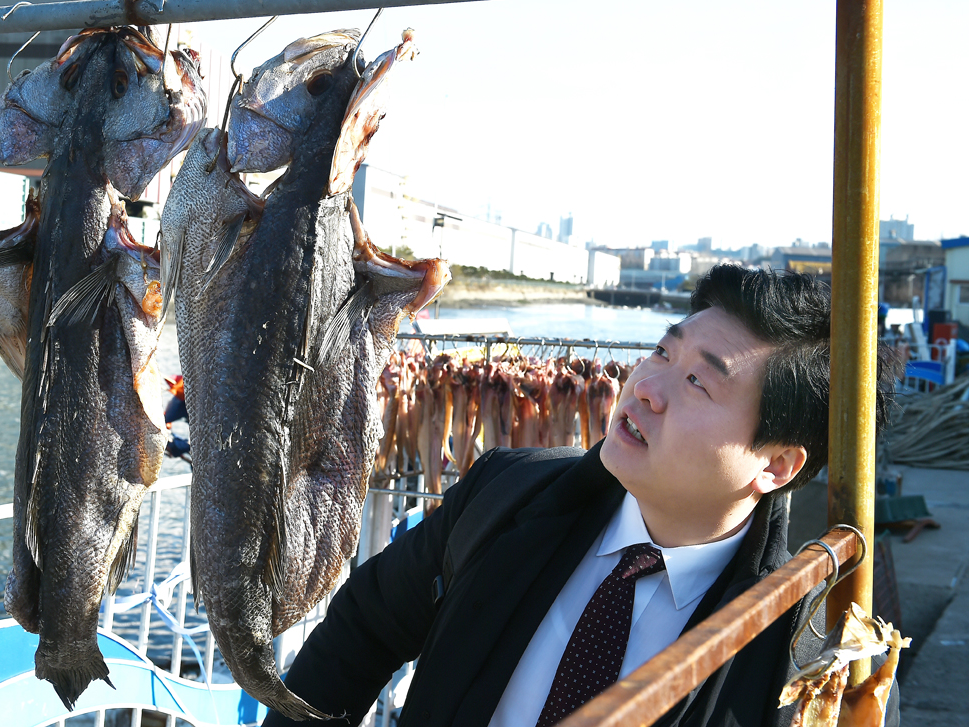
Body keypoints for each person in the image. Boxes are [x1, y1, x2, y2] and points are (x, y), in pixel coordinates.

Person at [262, 264, 900, 727]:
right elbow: (364, 625)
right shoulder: (505, 494)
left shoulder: (808, 658)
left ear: (778, 464)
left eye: (700, 385)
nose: (647, 386)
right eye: (661, 352)